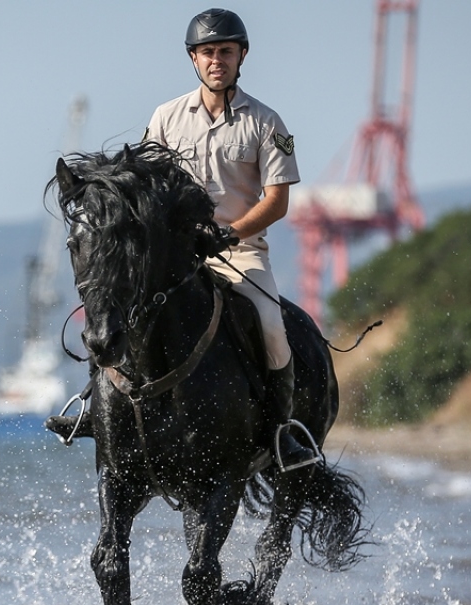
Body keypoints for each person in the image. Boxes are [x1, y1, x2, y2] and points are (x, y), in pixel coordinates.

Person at [48, 8, 320, 472]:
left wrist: (229, 233)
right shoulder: (166, 117)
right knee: (116, 310)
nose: (217, 60)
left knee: (272, 326)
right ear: (194, 58)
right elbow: (142, 182)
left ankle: (281, 433)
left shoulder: (267, 123)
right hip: (171, 255)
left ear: (242, 56)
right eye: (208, 52)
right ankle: (94, 408)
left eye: (226, 52)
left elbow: (277, 202)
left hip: (239, 251)